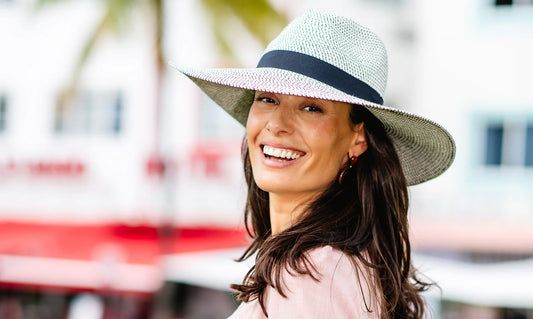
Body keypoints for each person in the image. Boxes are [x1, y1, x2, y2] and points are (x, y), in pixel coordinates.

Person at [171, 9, 455, 319]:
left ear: (357, 138)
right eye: (267, 98)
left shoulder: (309, 275)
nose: (277, 124)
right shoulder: (333, 266)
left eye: (310, 107)